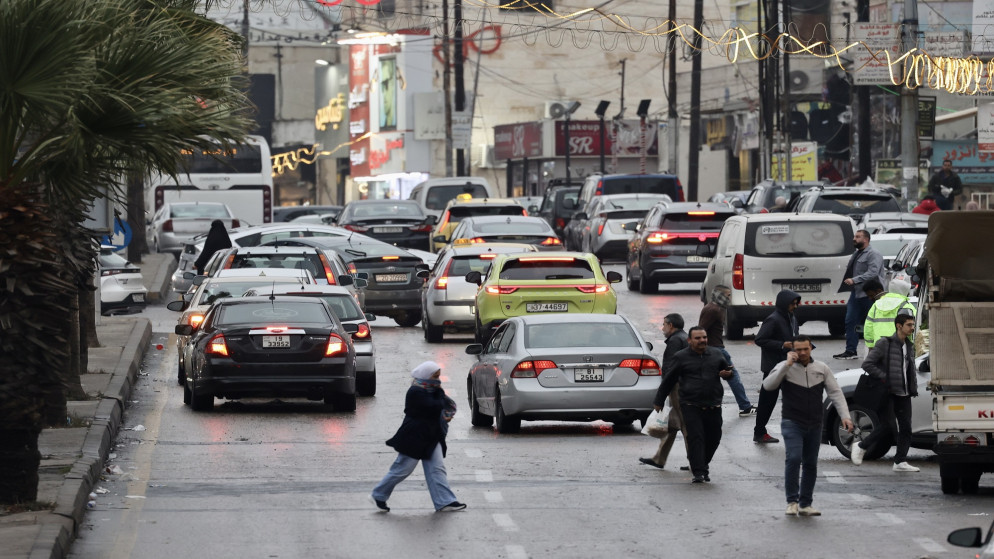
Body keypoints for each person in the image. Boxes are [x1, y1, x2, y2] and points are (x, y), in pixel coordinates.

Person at [763, 335, 853, 517]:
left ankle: (805, 504)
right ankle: (792, 502)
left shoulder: (821, 368)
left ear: (811, 348)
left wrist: (845, 416)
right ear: (792, 350)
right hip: (792, 422)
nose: (802, 353)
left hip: (815, 423)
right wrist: (786, 365)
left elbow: (835, 392)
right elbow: (768, 385)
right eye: (798, 349)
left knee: (810, 463)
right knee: (794, 458)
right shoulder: (784, 367)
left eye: (806, 349)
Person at [371, 361, 466, 512]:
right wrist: (440, 394)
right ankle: (379, 494)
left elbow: (441, 405)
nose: (437, 380)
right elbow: (434, 407)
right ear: (426, 376)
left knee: (437, 469)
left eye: (438, 376)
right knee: (402, 469)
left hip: (432, 437)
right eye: (435, 376)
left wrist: (439, 395)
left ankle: (445, 501)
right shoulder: (415, 391)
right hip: (414, 438)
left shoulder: (432, 390)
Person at [655, 327, 733, 483]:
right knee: (696, 438)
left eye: (704, 337)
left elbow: (728, 372)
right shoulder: (681, 357)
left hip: (714, 404)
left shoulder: (716, 354)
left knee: (714, 438)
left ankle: (702, 464)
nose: (702, 340)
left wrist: (727, 374)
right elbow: (669, 379)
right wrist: (659, 400)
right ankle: (699, 472)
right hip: (690, 404)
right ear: (689, 341)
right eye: (697, 338)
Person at [850, 314, 920, 472]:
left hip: (904, 392)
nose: (912, 328)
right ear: (899, 326)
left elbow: (909, 370)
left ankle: (900, 461)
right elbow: (867, 364)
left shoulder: (908, 345)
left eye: (912, 325)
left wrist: (912, 387)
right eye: (909, 325)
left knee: (906, 428)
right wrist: (885, 377)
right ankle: (861, 445)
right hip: (887, 392)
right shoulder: (885, 343)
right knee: (887, 426)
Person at [640, 313, 689, 469]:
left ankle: (695, 460)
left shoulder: (675, 340)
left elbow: (670, 370)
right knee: (672, 424)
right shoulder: (684, 337)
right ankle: (659, 458)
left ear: (671, 325)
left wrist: (661, 395)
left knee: (685, 425)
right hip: (683, 385)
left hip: (677, 387)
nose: (662, 328)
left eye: (664, 325)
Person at [698, 286, 755, 416]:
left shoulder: (717, 308)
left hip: (714, 348)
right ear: (720, 295)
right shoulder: (713, 309)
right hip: (716, 349)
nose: (730, 298)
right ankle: (745, 407)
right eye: (728, 295)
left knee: (713, 378)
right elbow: (701, 329)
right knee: (733, 376)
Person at [753, 289, 801, 444]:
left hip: (788, 365)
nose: (795, 306)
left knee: (795, 399)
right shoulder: (773, 319)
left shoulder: (791, 317)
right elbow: (760, 340)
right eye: (792, 304)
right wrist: (781, 345)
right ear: (783, 304)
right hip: (773, 367)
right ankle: (759, 431)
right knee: (767, 401)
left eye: (796, 303)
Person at [833, 229, 884, 360]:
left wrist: (854, 280)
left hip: (870, 294)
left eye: (858, 237)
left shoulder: (873, 254)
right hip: (856, 293)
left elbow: (873, 272)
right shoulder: (857, 254)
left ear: (866, 239)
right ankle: (850, 351)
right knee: (850, 321)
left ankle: (878, 351)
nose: (854, 239)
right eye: (855, 236)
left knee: (874, 322)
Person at [862, 279, 916, 349]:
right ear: (902, 291)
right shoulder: (906, 306)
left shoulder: (876, 305)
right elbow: (913, 327)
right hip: (900, 347)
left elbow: (868, 327)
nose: (908, 293)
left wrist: (871, 346)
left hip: (879, 347)